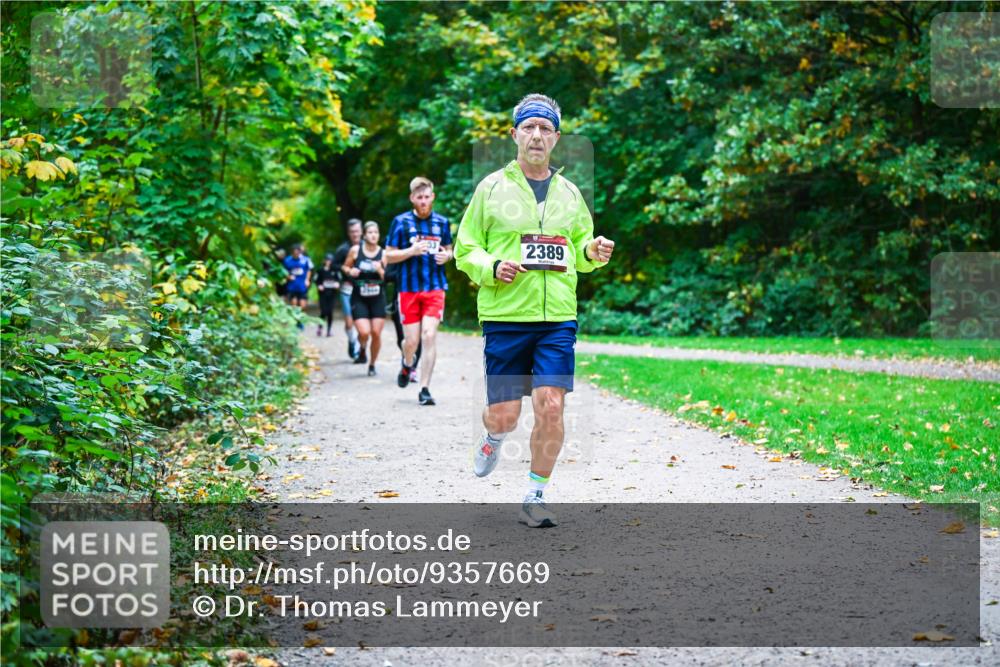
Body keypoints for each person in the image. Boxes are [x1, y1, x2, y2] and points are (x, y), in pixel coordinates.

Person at [454, 94, 615, 528]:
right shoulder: (490, 189)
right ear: (514, 135)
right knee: (505, 414)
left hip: (557, 318)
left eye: (545, 129)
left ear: (557, 138)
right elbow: (465, 248)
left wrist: (593, 250)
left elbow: (579, 249)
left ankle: (535, 493)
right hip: (506, 318)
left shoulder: (569, 193)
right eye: (529, 127)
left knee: (550, 405)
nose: (537, 135)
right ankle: (493, 437)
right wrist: (491, 266)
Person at [386, 177, 453, 406]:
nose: (423, 201)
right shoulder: (401, 222)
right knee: (411, 341)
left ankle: (424, 388)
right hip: (408, 289)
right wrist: (411, 250)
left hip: (435, 287)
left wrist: (448, 256)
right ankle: (407, 363)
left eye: (427, 197)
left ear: (432, 197)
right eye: (419, 197)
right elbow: (388, 255)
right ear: (412, 199)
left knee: (430, 335)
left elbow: (449, 249)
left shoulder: (442, 223)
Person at [342, 221, 387, 376]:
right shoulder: (355, 250)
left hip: (377, 298)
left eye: (376, 232)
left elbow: (388, 277)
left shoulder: (384, 253)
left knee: (376, 333)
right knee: (364, 332)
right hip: (359, 297)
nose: (373, 235)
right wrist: (350, 271)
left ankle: (372, 364)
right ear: (364, 235)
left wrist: (380, 270)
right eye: (370, 232)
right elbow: (345, 267)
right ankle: (362, 348)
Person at [333, 219, 363, 359]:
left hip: (365, 289)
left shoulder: (367, 247)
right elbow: (333, 265)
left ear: (361, 231)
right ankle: (352, 342)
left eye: (357, 231)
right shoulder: (343, 249)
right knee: (349, 321)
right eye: (352, 232)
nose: (355, 234)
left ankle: (360, 348)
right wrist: (347, 270)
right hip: (347, 288)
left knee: (362, 322)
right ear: (348, 233)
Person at [282, 243, 313, 330]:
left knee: (302, 305)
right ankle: (296, 322)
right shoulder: (287, 261)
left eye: (297, 252)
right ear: (292, 252)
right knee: (294, 305)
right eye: (294, 252)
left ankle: (300, 319)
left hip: (302, 286)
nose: (296, 253)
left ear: (300, 252)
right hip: (292, 286)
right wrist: (288, 276)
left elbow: (309, 270)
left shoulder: (305, 260)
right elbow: (283, 271)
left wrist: (307, 280)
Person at [314, 253, 339, 337]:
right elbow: (316, 280)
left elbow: (339, 279)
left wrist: (337, 284)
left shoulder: (335, 271)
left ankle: (329, 330)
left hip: (332, 294)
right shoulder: (320, 270)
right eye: (327, 260)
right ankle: (320, 328)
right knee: (324, 311)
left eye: (330, 260)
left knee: (330, 312)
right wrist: (319, 286)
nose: (328, 262)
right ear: (324, 261)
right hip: (323, 294)